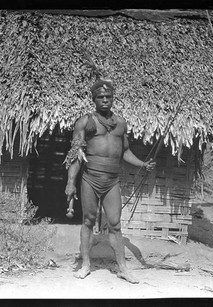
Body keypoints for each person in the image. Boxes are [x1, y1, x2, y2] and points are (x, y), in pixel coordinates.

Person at [64, 78, 156, 284]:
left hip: (112, 181)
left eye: (108, 97)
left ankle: (122, 268)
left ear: (113, 98)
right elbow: (74, 154)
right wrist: (71, 182)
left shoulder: (121, 123)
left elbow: (124, 151)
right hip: (90, 179)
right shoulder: (85, 122)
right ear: (94, 99)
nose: (105, 100)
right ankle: (86, 265)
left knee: (115, 224)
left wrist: (142, 164)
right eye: (100, 97)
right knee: (88, 220)